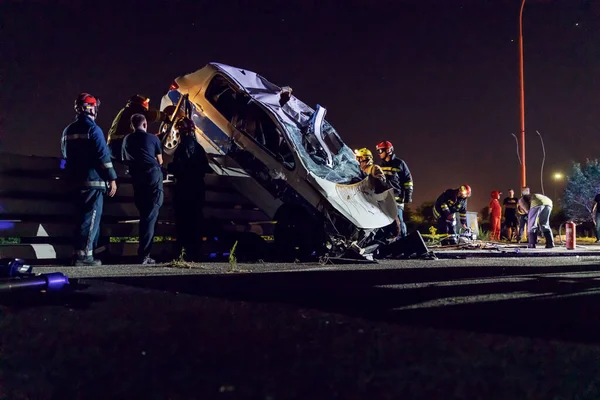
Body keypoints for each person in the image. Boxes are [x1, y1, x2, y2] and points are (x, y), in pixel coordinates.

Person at [61, 93, 117, 266]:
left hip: (75, 181)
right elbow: (103, 156)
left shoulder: (68, 130)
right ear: (90, 108)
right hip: (93, 182)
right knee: (90, 218)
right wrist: (112, 178)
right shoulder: (94, 129)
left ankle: (83, 252)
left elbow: (65, 154)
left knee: (81, 219)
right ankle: (84, 257)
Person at [168, 118, 212, 261]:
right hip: (198, 189)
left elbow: (179, 168)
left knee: (183, 221)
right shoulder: (199, 148)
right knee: (196, 220)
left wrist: (169, 168)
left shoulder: (182, 148)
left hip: (184, 189)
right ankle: (196, 251)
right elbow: (205, 168)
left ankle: (184, 251)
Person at [123, 113, 164, 264]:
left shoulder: (127, 139)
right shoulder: (153, 138)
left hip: (137, 181)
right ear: (145, 124)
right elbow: (160, 160)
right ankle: (144, 254)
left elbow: (126, 158)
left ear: (132, 125)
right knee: (150, 217)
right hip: (152, 180)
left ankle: (144, 252)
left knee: (144, 216)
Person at [107, 95, 169, 161]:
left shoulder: (127, 111)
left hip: (116, 146)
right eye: (145, 102)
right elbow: (148, 115)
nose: (147, 104)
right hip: (118, 144)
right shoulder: (132, 110)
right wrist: (164, 116)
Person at [376, 141, 414, 238]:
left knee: (399, 221)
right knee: (386, 222)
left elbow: (408, 180)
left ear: (388, 150)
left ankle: (403, 241)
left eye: (380, 151)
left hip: (397, 198)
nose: (379, 153)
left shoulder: (400, 163)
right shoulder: (379, 166)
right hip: (384, 199)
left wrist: (408, 195)